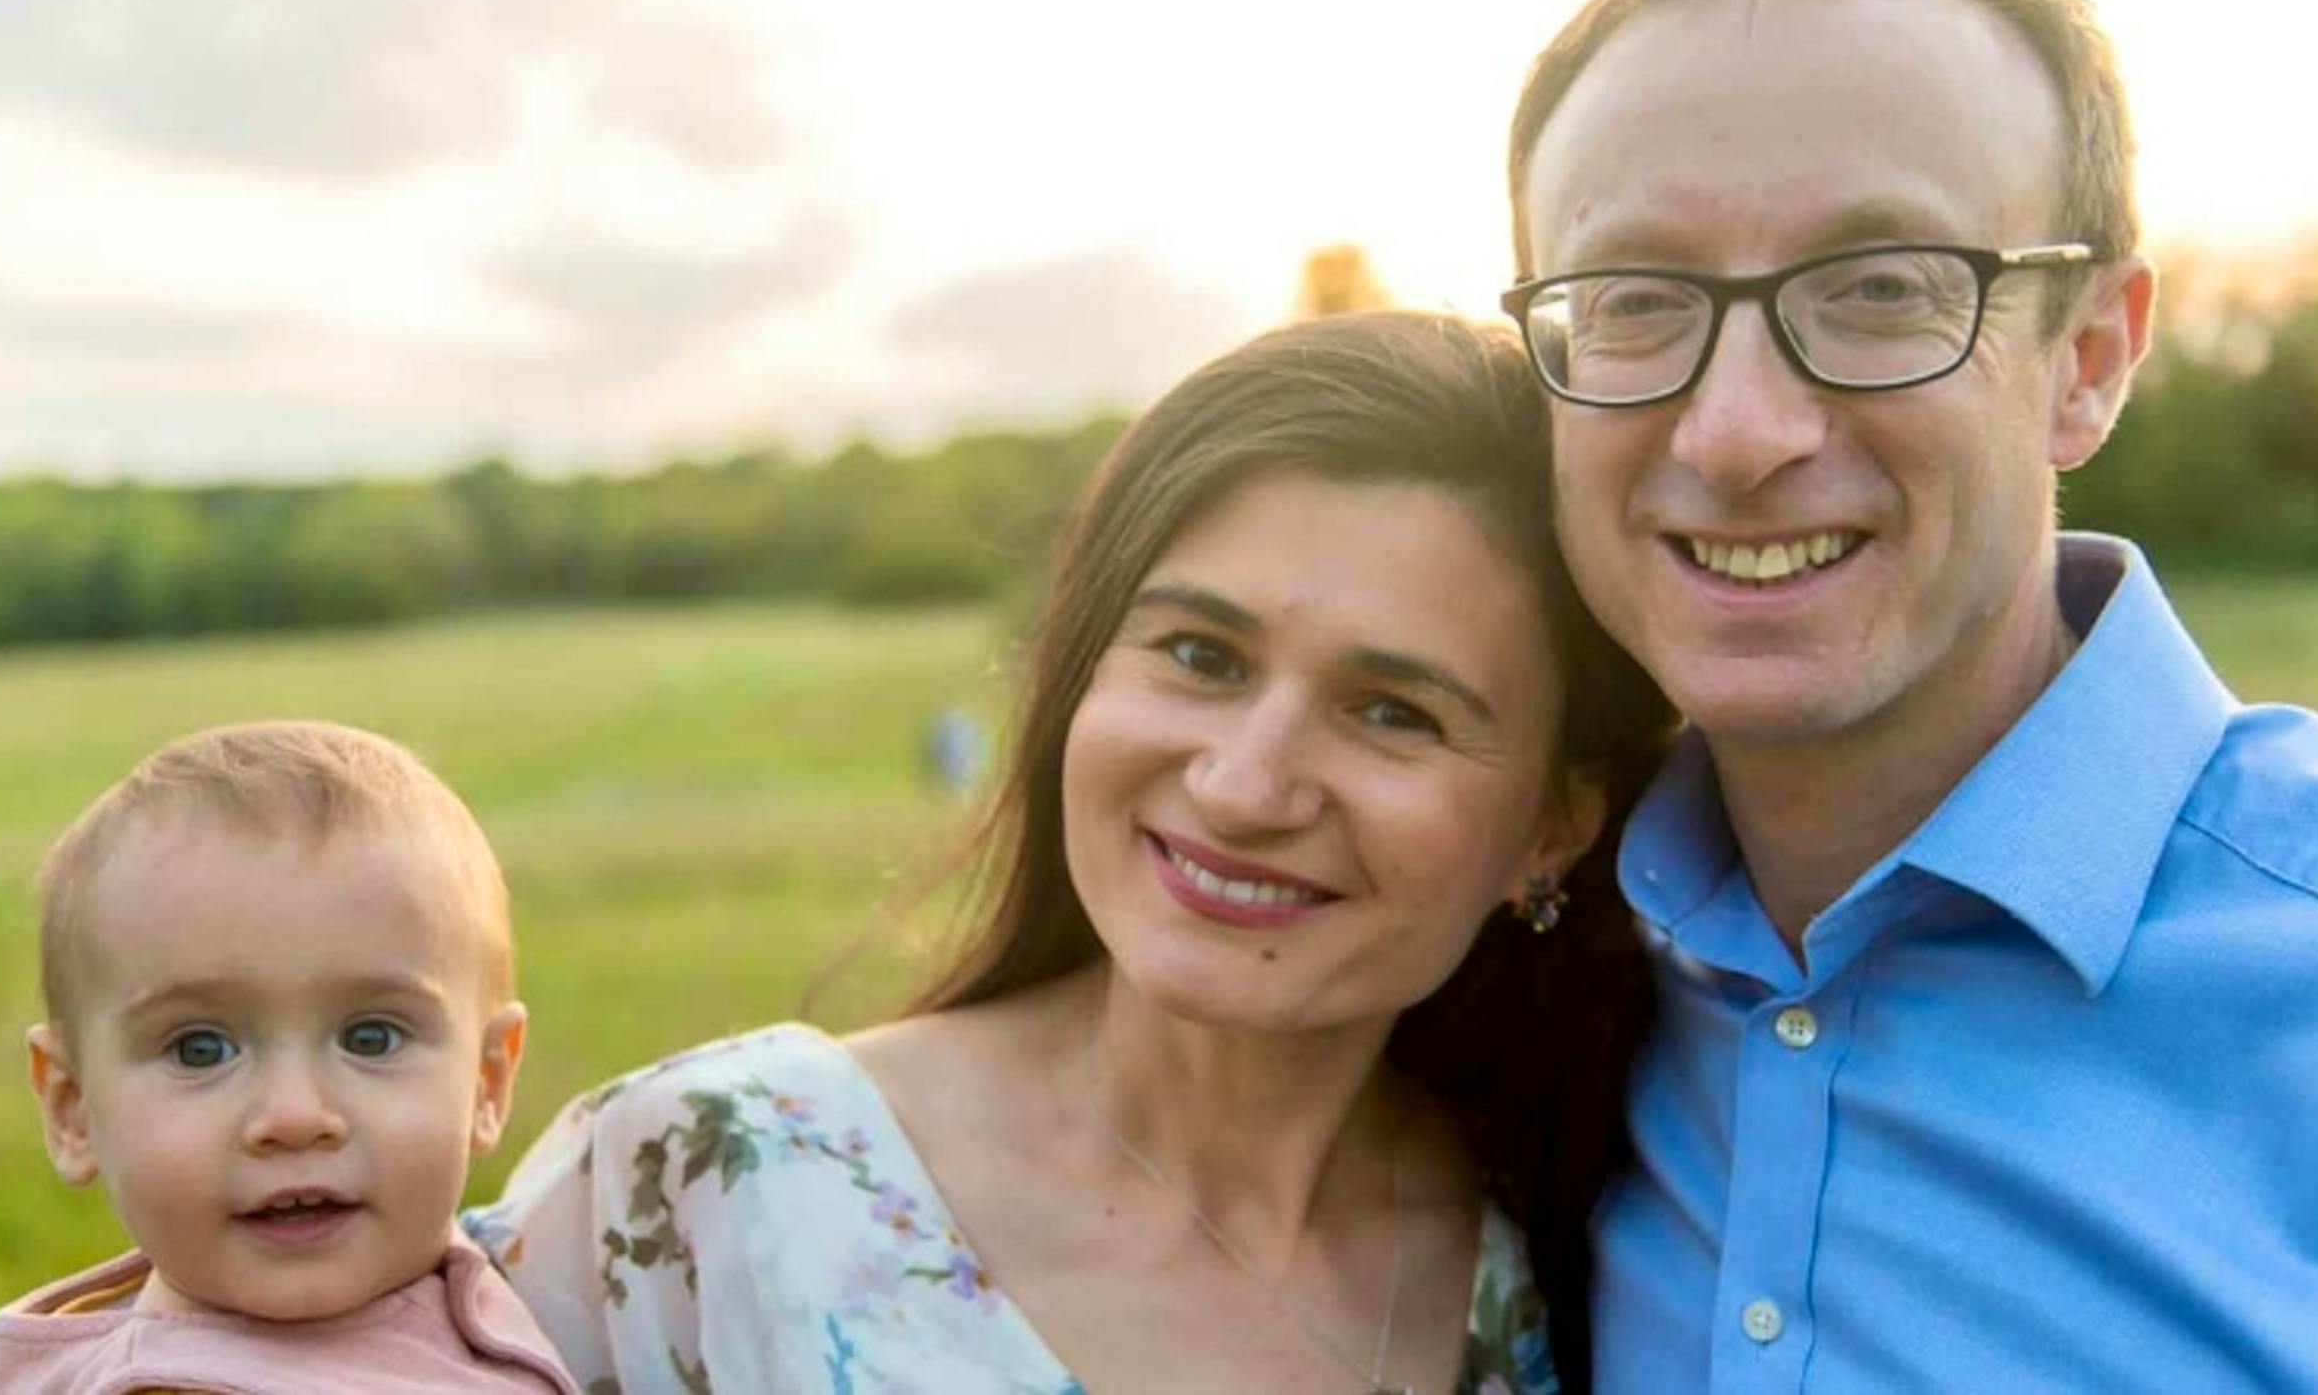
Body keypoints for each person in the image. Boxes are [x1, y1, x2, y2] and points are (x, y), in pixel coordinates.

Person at [1498, 0, 2318, 1389]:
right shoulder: (1503, 945)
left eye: (1878, 288)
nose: (1735, 433)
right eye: (1637, 300)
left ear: (2091, 360)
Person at [468, 312, 1675, 1393]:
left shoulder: (1578, 1248)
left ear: (1553, 826)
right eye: (1202, 655)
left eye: (1393, 711)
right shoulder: (698, 1184)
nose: (1243, 784)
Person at [0, 721, 575, 1394]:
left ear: (486, 1079)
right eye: (200, 1049)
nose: (295, 1115)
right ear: (74, 1108)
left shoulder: (455, 1287)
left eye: (371, 1038)